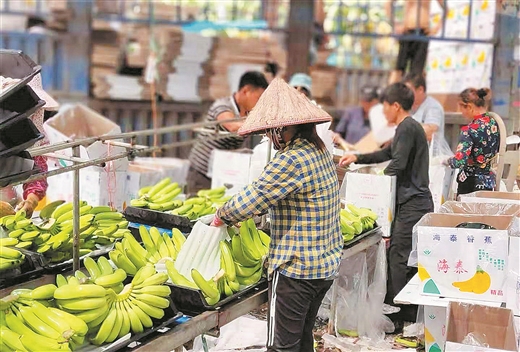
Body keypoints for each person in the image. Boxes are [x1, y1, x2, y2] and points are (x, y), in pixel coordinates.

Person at [211, 78, 343, 351]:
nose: (271, 137)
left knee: (281, 346)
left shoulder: (291, 159)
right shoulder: (318, 150)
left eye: (273, 131)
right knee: (303, 340)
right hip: (323, 266)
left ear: (286, 128)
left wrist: (221, 216)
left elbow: (254, 198)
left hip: (296, 270)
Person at [339, 83, 433, 333]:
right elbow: (387, 153)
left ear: (395, 106)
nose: (383, 114)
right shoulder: (407, 128)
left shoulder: (407, 127)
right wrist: (358, 157)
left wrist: (373, 185)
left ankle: (400, 315)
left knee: (399, 257)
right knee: (399, 256)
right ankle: (399, 312)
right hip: (411, 201)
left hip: (414, 202)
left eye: (385, 109)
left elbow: (397, 163)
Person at [187, 71, 268, 193]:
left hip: (224, 171)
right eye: (258, 98)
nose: (260, 103)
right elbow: (232, 126)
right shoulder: (222, 105)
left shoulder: (249, 113)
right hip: (202, 172)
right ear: (246, 91)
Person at [446, 88, 499, 195]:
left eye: (461, 108)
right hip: (488, 182)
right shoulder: (494, 123)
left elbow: (459, 161)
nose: (461, 113)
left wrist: (447, 161)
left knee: (467, 212)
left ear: (469, 107)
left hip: (470, 183)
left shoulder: (469, 130)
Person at [386, 0, 447, 84]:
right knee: (399, 69)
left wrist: (436, 28)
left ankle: (413, 95)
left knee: (417, 71)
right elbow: (388, 4)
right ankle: (389, 95)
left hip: (423, 32)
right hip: (407, 31)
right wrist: (395, 24)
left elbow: (446, 8)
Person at [403, 73, 445, 143]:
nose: (406, 94)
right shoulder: (407, 105)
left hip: (431, 152)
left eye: (409, 91)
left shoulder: (433, 106)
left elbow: (431, 131)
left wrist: (404, 126)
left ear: (420, 89)